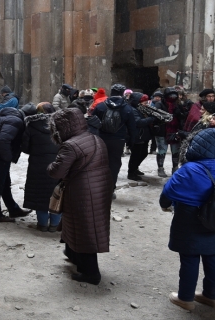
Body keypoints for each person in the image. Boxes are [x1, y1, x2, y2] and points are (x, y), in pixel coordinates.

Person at [159, 128, 215, 310]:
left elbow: (168, 193)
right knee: (213, 257)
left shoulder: (189, 170)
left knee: (190, 257)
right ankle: (212, 296)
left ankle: (185, 298)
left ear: (194, 147)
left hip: (189, 217)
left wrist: (165, 204)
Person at [47, 108, 113, 285]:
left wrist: (51, 165)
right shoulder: (94, 138)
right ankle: (73, 255)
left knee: (85, 229)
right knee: (81, 224)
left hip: (82, 190)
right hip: (100, 187)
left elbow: (57, 171)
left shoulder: (71, 145)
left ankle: (91, 273)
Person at [0, 107, 32, 222]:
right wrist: (8, 157)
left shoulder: (9, 117)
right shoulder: (16, 121)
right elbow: (2, 140)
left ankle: (13, 209)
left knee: (4, 184)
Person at [92, 84, 136, 199]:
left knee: (99, 164)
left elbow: (92, 123)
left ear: (111, 92)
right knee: (114, 165)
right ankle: (110, 190)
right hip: (118, 140)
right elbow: (132, 127)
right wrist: (131, 142)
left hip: (101, 139)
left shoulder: (100, 106)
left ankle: (97, 188)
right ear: (122, 93)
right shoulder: (127, 108)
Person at [21, 102, 60, 232]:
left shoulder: (31, 125)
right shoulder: (61, 124)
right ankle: (55, 224)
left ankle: (42, 224)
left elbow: (25, 147)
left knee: (39, 194)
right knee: (57, 195)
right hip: (58, 164)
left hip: (37, 164)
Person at [127, 92, 155, 181]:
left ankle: (135, 168)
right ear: (138, 102)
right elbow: (138, 122)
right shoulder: (133, 110)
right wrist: (152, 118)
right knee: (136, 155)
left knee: (143, 153)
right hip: (137, 136)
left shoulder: (140, 109)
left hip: (143, 135)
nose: (146, 104)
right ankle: (131, 172)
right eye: (144, 102)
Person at [161, 87, 187, 174]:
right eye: (170, 95)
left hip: (175, 129)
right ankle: (160, 168)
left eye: (174, 95)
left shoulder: (178, 104)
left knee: (175, 150)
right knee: (162, 150)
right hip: (163, 130)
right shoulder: (161, 104)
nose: (172, 97)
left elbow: (183, 117)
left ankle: (175, 168)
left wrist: (179, 113)